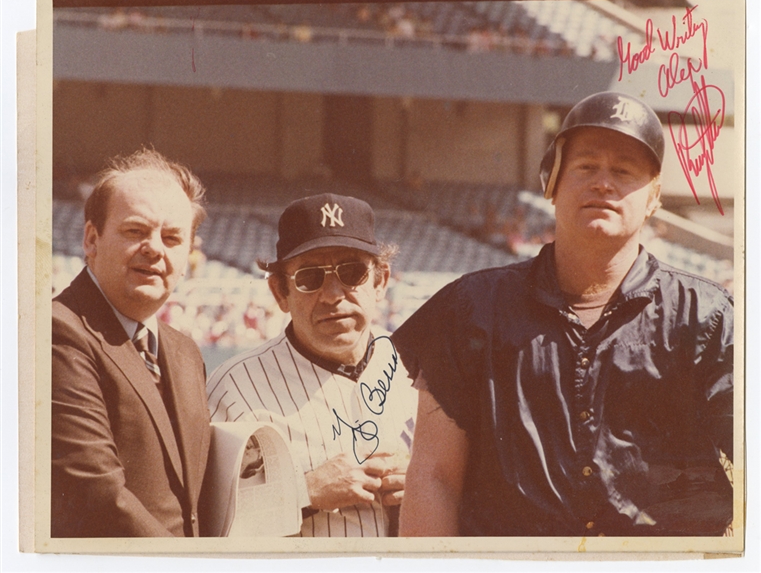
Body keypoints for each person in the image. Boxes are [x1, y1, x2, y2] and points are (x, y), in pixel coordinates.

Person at [393, 92, 734, 537]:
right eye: (586, 166)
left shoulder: (705, 315)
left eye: (625, 171)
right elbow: (434, 476)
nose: (603, 183)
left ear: (653, 197)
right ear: (551, 182)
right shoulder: (470, 308)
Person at [206, 193, 417, 537]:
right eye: (309, 277)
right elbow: (206, 523)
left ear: (380, 281)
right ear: (280, 292)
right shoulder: (233, 388)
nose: (333, 294)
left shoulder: (423, 368)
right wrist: (304, 492)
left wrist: (426, 483)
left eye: (352, 273)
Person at [51, 148, 211, 537]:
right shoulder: (58, 332)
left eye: (172, 237)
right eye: (136, 231)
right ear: (92, 238)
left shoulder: (184, 351)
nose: (155, 248)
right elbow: (99, 494)